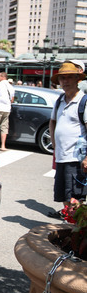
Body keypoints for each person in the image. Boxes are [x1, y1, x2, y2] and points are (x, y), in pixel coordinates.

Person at [49, 61, 87, 216]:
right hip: (62, 156)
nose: (65, 81)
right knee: (65, 195)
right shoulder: (59, 100)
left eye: (69, 77)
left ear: (77, 79)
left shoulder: (84, 101)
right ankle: (70, 227)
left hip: (76, 158)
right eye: (62, 78)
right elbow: (52, 122)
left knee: (76, 197)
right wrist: (54, 143)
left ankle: (76, 231)